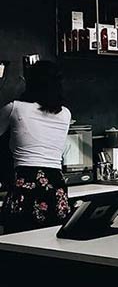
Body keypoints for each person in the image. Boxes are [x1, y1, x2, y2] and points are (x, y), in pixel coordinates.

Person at [0, 61, 72, 234]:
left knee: (20, 246)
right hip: (56, 184)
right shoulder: (65, 113)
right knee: (53, 246)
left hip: (26, 182)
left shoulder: (15, 108)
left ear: (30, 82)